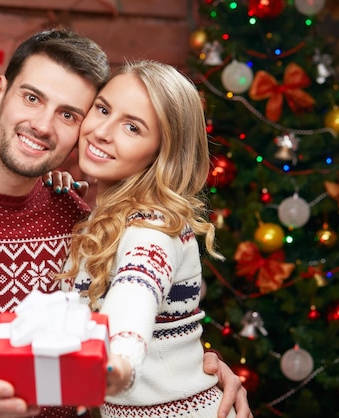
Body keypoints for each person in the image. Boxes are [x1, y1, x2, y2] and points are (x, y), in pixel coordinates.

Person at [0, 28, 250, 418]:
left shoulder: (80, 217)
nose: (43, 126)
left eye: (68, 114)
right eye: (31, 98)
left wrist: (196, 366)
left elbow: (137, 300)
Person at [59, 60, 242, 417]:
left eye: (132, 127)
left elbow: (136, 291)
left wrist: (120, 357)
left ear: (162, 151)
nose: (102, 131)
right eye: (103, 109)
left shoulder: (153, 226)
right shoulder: (101, 217)